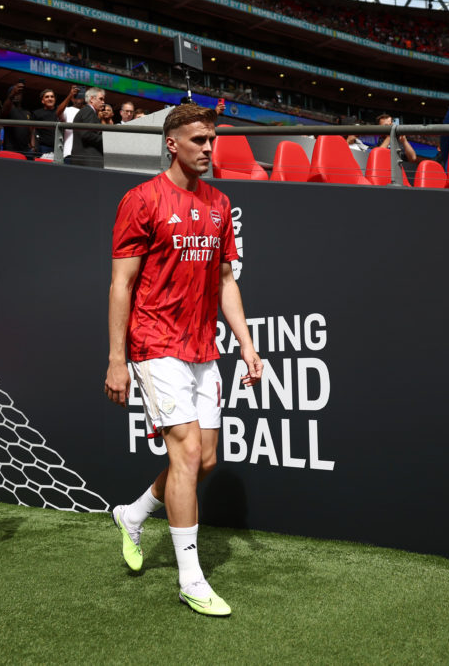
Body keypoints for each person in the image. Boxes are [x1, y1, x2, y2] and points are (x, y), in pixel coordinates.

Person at [104, 103, 262, 617]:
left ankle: (133, 514)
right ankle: (190, 579)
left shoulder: (220, 203)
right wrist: (116, 358)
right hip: (154, 343)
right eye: (199, 140)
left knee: (205, 462)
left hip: (202, 347)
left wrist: (245, 342)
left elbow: (224, 281)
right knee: (188, 455)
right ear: (171, 143)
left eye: (212, 140)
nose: (209, 149)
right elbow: (121, 284)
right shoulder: (140, 200)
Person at [32, 86, 76, 156]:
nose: (50, 99)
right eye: (47, 97)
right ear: (42, 101)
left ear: (55, 99)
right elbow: (32, 130)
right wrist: (33, 146)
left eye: (52, 97)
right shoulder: (37, 113)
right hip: (44, 147)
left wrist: (71, 95)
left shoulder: (61, 111)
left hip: (60, 147)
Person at [69, 86, 105, 167]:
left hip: (85, 159)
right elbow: (87, 135)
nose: (103, 102)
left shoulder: (88, 111)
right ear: (92, 99)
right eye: (101, 99)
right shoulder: (88, 111)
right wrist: (106, 139)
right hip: (88, 159)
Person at [1, 80, 35, 157]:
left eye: (19, 94)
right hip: (11, 149)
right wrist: (13, 93)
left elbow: (32, 130)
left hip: (26, 151)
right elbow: (4, 110)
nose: (16, 95)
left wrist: (33, 146)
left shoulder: (27, 112)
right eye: (14, 94)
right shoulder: (8, 109)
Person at [61, 87, 86, 159]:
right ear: (72, 99)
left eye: (81, 96)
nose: (79, 98)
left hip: (85, 154)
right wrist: (70, 95)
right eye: (76, 96)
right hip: (69, 152)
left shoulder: (89, 111)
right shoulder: (67, 110)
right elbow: (58, 112)